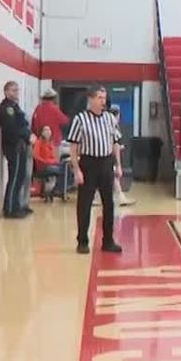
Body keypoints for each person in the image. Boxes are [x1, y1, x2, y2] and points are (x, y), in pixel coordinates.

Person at [67, 86, 122, 253]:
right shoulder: (80, 119)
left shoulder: (110, 118)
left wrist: (118, 165)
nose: (102, 101)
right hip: (88, 163)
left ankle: (108, 241)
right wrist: (77, 169)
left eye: (104, 98)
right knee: (84, 204)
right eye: (99, 97)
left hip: (106, 163)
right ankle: (82, 241)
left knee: (109, 204)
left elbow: (115, 142)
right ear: (90, 99)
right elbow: (74, 146)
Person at [0, 81, 34, 218]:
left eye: (17, 90)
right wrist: (27, 135)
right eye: (13, 90)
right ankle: (10, 209)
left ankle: (17, 206)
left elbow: (22, 123)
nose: (16, 92)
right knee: (14, 177)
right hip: (13, 146)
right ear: (6, 92)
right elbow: (12, 128)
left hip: (21, 146)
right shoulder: (6, 108)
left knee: (20, 177)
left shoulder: (15, 107)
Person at [33, 125, 68, 200]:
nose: (48, 132)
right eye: (45, 130)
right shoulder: (38, 142)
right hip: (43, 167)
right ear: (42, 132)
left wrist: (54, 162)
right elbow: (36, 156)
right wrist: (47, 162)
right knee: (63, 171)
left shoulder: (50, 143)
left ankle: (59, 189)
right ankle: (57, 190)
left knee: (68, 169)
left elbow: (52, 157)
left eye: (49, 130)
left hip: (51, 164)